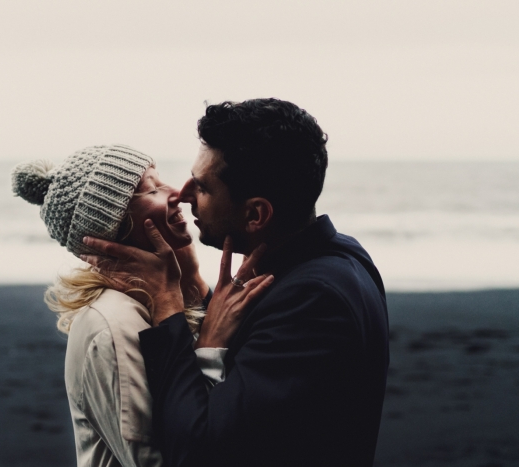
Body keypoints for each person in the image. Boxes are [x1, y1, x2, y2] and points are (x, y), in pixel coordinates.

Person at [81, 99, 390, 467]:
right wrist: (197, 286)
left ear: (255, 214)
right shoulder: (343, 257)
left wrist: (169, 305)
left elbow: (197, 452)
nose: (182, 196)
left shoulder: (314, 300)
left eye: (203, 187)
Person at [11, 144, 272, 467]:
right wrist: (210, 346)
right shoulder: (112, 324)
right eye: (151, 189)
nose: (176, 193)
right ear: (116, 228)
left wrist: (191, 281)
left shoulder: (165, 299)